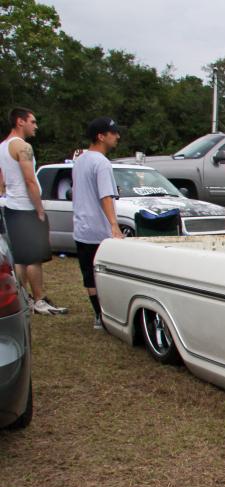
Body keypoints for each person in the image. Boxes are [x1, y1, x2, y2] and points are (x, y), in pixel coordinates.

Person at [0, 107, 67, 314]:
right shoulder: (22, 146)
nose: (36, 126)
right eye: (33, 121)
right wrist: (39, 210)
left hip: (12, 207)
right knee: (34, 258)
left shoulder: (2, 146)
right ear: (20, 122)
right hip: (26, 207)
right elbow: (30, 180)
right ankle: (38, 300)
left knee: (21, 258)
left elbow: (2, 180)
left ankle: (25, 298)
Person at [72, 116, 124, 329]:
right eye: (113, 133)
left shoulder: (80, 160)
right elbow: (106, 196)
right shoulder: (101, 163)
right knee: (106, 275)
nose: (117, 136)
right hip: (99, 231)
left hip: (81, 228)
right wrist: (114, 225)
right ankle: (107, 316)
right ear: (101, 136)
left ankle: (98, 315)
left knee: (89, 275)